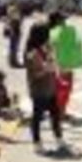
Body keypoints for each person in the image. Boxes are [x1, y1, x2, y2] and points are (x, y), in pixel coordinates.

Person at [25, 22, 68, 154]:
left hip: (50, 89)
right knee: (37, 117)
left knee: (55, 115)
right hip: (39, 91)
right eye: (47, 34)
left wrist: (53, 64)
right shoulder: (32, 54)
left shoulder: (45, 49)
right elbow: (35, 75)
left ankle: (59, 138)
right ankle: (37, 143)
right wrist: (47, 69)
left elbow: (52, 65)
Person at [48, 11, 82, 119]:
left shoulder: (51, 32)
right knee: (65, 90)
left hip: (55, 66)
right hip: (65, 66)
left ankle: (58, 111)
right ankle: (61, 113)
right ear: (58, 21)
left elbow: (49, 49)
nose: (65, 21)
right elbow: (78, 45)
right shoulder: (68, 30)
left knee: (58, 90)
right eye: (63, 19)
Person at [6, 3, 24, 68]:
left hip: (14, 30)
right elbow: (16, 21)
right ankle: (14, 62)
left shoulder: (10, 10)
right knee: (14, 47)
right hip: (15, 31)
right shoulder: (13, 12)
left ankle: (12, 62)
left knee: (13, 47)